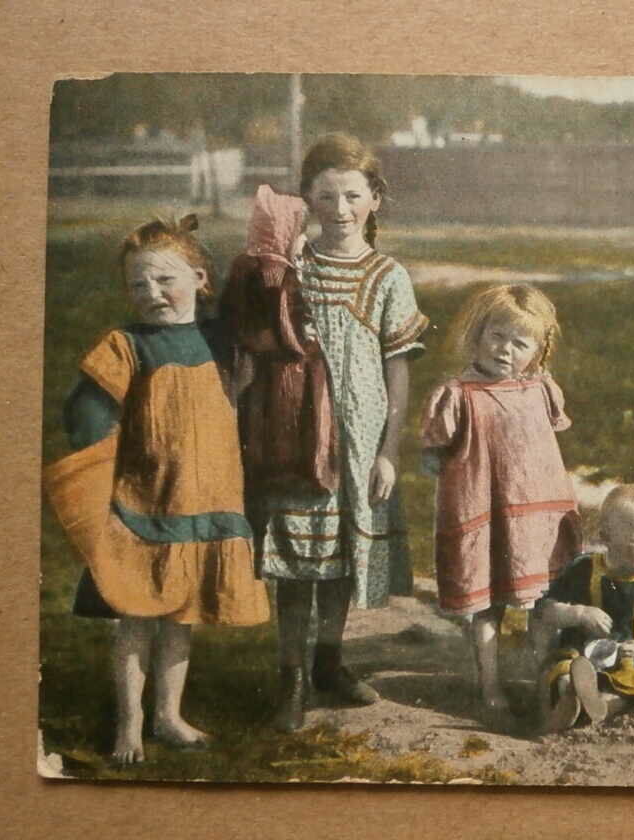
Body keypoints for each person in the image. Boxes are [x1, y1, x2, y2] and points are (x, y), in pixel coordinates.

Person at [43, 216, 269, 764]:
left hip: (207, 501)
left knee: (181, 618)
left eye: (165, 280)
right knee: (135, 618)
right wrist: (103, 449)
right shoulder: (127, 346)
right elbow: (87, 410)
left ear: (199, 278)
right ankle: (129, 726)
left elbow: (268, 296)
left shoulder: (220, 341)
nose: (152, 293)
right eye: (138, 284)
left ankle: (168, 715)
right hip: (145, 504)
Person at [256, 134, 429, 732]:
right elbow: (250, 326)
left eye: (352, 195)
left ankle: (328, 661)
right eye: (324, 195)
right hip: (296, 437)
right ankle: (290, 677)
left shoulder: (388, 275)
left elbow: (397, 371)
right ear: (305, 198)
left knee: (339, 564)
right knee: (296, 562)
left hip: (358, 443)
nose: (339, 208)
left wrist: (388, 452)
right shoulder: (288, 266)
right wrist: (278, 259)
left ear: (375, 199)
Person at [421, 283, 582, 717]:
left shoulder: (541, 389)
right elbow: (434, 454)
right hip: (486, 515)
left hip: (536, 519)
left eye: (519, 342)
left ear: (538, 350)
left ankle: (542, 678)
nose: (505, 349)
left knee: (544, 604)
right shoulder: (458, 395)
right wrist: (438, 460)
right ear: (477, 333)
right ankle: (490, 685)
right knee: (488, 607)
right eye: (496, 335)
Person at [532, 484, 634, 732]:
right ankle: (570, 699)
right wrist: (578, 613)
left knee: (633, 684)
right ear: (606, 538)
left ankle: (601, 705)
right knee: (565, 670)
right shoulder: (583, 569)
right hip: (585, 654)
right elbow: (545, 610)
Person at [222, 183, 338, 499]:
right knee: (286, 420)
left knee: (261, 420)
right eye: (300, 233)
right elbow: (284, 319)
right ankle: (290, 472)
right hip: (284, 365)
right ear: (286, 233)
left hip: (258, 362)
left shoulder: (248, 265)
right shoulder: (275, 274)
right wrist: (303, 344)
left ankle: (274, 473)